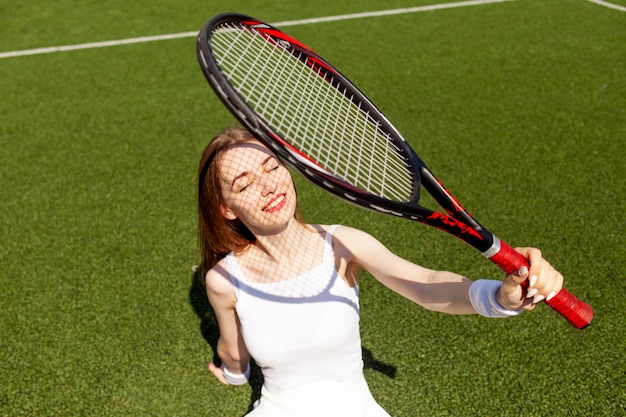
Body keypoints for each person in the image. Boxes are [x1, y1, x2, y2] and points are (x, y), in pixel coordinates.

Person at [197, 126, 563, 417]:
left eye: (272, 167)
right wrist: (232, 372)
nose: (268, 186)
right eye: (244, 184)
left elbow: (426, 284)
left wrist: (499, 297)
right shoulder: (224, 280)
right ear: (226, 209)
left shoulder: (343, 244)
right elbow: (232, 348)